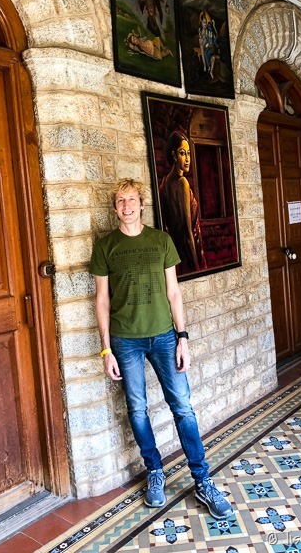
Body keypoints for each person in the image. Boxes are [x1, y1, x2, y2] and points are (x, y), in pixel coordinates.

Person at [89, 178, 233, 520]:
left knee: (182, 406)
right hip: (125, 341)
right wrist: (106, 350)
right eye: (120, 201)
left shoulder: (161, 241)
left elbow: (174, 293)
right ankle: (154, 470)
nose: (126, 206)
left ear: (142, 205)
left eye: (131, 200)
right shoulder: (106, 246)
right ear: (115, 208)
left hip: (165, 337)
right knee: (137, 409)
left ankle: (203, 480)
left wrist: (183, 337)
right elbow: (102, 300)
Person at [159, 131, 207, 274]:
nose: (187, 159)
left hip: (176, 253)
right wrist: (197, 267)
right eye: (182, 153)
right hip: (187, 253)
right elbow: (187, 231)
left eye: (188, 154)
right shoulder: (182, 183)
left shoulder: (165, 182)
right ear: (174, 155)